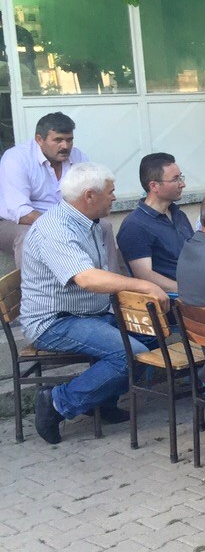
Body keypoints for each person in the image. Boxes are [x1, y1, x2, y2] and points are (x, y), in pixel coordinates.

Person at [21, 163, 167, 444]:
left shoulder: (92, 222)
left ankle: (99, 399)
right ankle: (57, 402)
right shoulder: (56, 229)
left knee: (153, 335)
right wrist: (144, 285)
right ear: (89, 195)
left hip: (91, 312)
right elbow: (87, 278)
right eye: (110, 192)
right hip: (54, 321)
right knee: (130, 354)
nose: (115, 197)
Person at [0, 110, 90, 261]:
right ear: (39, 140)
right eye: (58, 140)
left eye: (69, 140)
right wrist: (58, 226)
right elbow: (21, 211)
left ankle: (111, 276)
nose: (65, 146)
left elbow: (88, 196)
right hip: (17, 222)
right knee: (29, 237)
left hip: (65, 220)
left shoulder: (77, 156)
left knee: (103, 226)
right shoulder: (16, 159)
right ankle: (30, 279)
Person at [115, 152, 194, 293]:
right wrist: (189, 292)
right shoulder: (135, 225)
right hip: (171, 300)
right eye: (175, 179)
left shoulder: (179, 215)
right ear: (154, 186)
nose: (182, 184)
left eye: (181, 177)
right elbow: (145, 276)